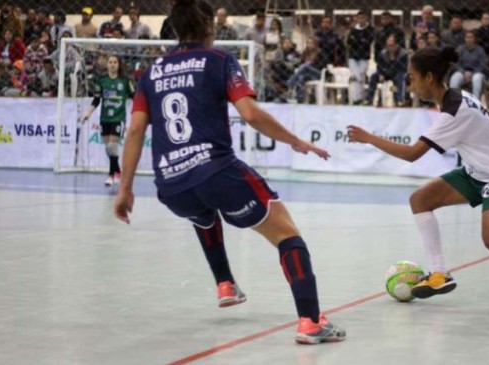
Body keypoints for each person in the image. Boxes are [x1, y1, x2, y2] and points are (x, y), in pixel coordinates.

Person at [113, 0, 346, 344]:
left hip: (172, 186)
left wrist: (125, 188)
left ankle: (225, 283)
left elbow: (134, 132)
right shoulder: (219, 60)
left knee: (202, 212)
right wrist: (296, 141)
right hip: (217, 171)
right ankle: (311, 322)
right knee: (287, 235)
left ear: (176, 28)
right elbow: (250, 114)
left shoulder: (151, 72)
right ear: (209, 25)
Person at [346, 47, 489, 314]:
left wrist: (369, 138)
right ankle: (439, 273)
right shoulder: (458, 96)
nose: (411, 85)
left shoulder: (453, 111)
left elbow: (413, 154)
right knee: (420, 200)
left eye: (413, 78)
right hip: (476, 171)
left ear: (429, 77)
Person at [82, 54, 134, 186]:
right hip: (105, 118)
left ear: (118, 64)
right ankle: (118, 171)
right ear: (107, 65)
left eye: (115, 62)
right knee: (108, 148)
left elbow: (134, 96)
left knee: (112, 146)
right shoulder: (102, 81)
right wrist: (88, 113)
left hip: (118, 117)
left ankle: (111, 175)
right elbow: (97, 100)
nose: (112, 64)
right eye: (110, 62)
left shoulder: (124, 81)